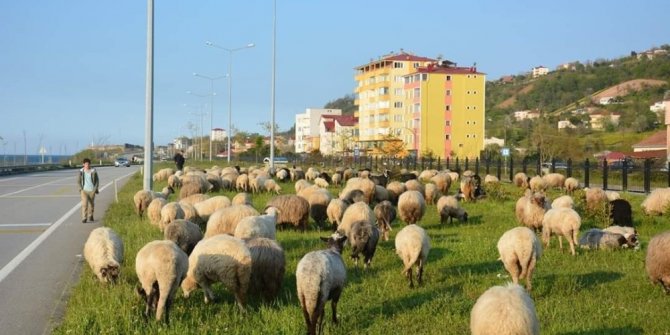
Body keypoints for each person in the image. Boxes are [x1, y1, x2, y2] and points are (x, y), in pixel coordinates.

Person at [78, 158, 99, 223]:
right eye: (86, 164)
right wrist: (81, 189)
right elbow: (78, 181)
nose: (87, 165)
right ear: (83, 164)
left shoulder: (93, 171)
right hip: (84, 191)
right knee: (84, 204)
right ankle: (84, 218)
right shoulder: (81, 171)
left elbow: (97, 181)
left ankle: (91, 215)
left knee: (91, 204)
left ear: (90, 164)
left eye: (88, 164)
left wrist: (95, 189)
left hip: (92, 190)